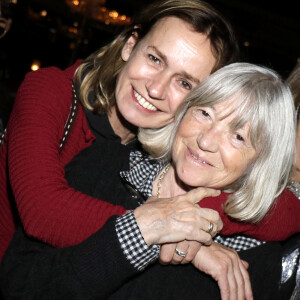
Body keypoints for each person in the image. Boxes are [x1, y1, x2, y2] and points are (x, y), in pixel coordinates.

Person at [1, 62, 299, 300]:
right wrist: (137, 233)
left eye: (238, 137)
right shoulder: (102, 164)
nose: (206, 140)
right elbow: (18, 284)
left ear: (262, 160)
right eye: (205, 113)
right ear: (183, 112)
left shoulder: (253, 260)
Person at [0, 0, 239, 261]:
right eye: (155, 59)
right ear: (130, 45)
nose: (156, 89)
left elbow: (278, 208)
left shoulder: (180, 150)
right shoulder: (50, 90)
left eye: (184, 82)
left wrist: (201, 219)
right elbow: (42, 211)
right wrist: (168, 232)